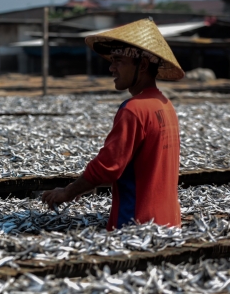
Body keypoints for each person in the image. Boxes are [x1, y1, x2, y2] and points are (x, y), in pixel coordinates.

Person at [42, 18, 184, 230]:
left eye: (119, 61)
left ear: (142, 65)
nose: (111, 68)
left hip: (137, 223)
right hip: (169, 222)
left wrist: (67, 192)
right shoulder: (165, 105)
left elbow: (108, 167)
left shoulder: (134, 109)